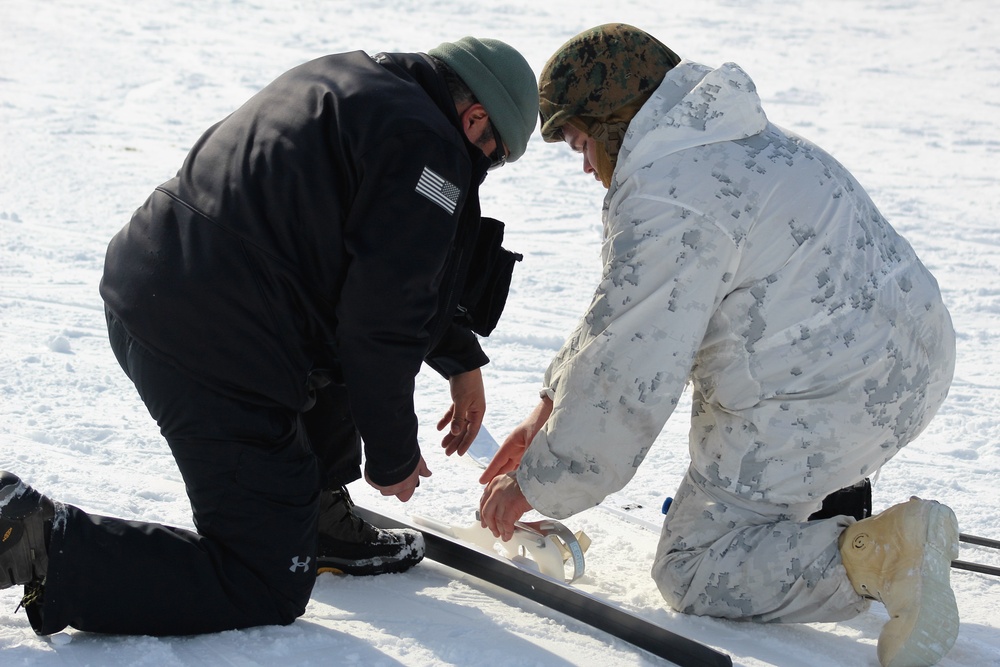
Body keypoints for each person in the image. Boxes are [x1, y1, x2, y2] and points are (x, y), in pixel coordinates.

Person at [0, 36, 537, 636]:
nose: (484, 169)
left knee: (327, 339)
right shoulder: (432, 150)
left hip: (153, 285)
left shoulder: (351, 78)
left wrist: (461, 358)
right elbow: (380, 324)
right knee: (264, 582)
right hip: (214, 347)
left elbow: (362, 259)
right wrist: (394, 456)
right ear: (475, 118)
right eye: (493, 156)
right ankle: (39, 542)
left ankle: (317, 517)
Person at [478, 23, 958, 667]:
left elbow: (632, 368)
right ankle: (826, 501)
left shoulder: (667, 193)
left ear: (615, 121)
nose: (586, 166)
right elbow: (618, 318)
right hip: (911, 360)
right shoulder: (728, 140)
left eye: (581, 142)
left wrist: (538, 482)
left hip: (828, 398)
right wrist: (548, 410)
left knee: (694, 565)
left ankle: (884, 555)